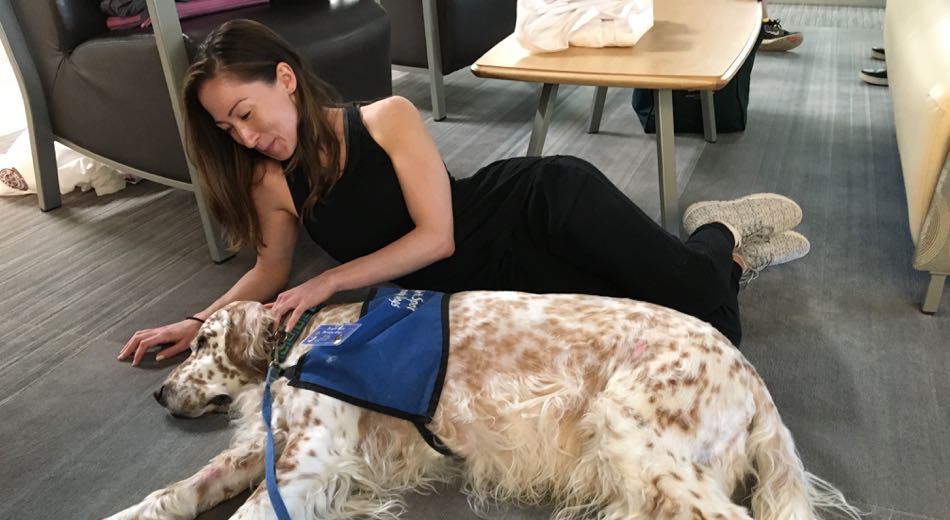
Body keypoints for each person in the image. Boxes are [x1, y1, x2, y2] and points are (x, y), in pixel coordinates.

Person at [118, 20, 809, 366]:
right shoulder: (273, 182)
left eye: (245, 112)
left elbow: (436, 239)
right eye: (224, 127)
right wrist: (199, 321)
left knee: (698, 300)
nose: (243, 137)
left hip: (538, 205)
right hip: (504, 282)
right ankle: (734, 260)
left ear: (285, 80)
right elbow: (268, 269)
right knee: (703, 335)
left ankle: (718, 226)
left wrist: (331, 282)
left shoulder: (386, 119)